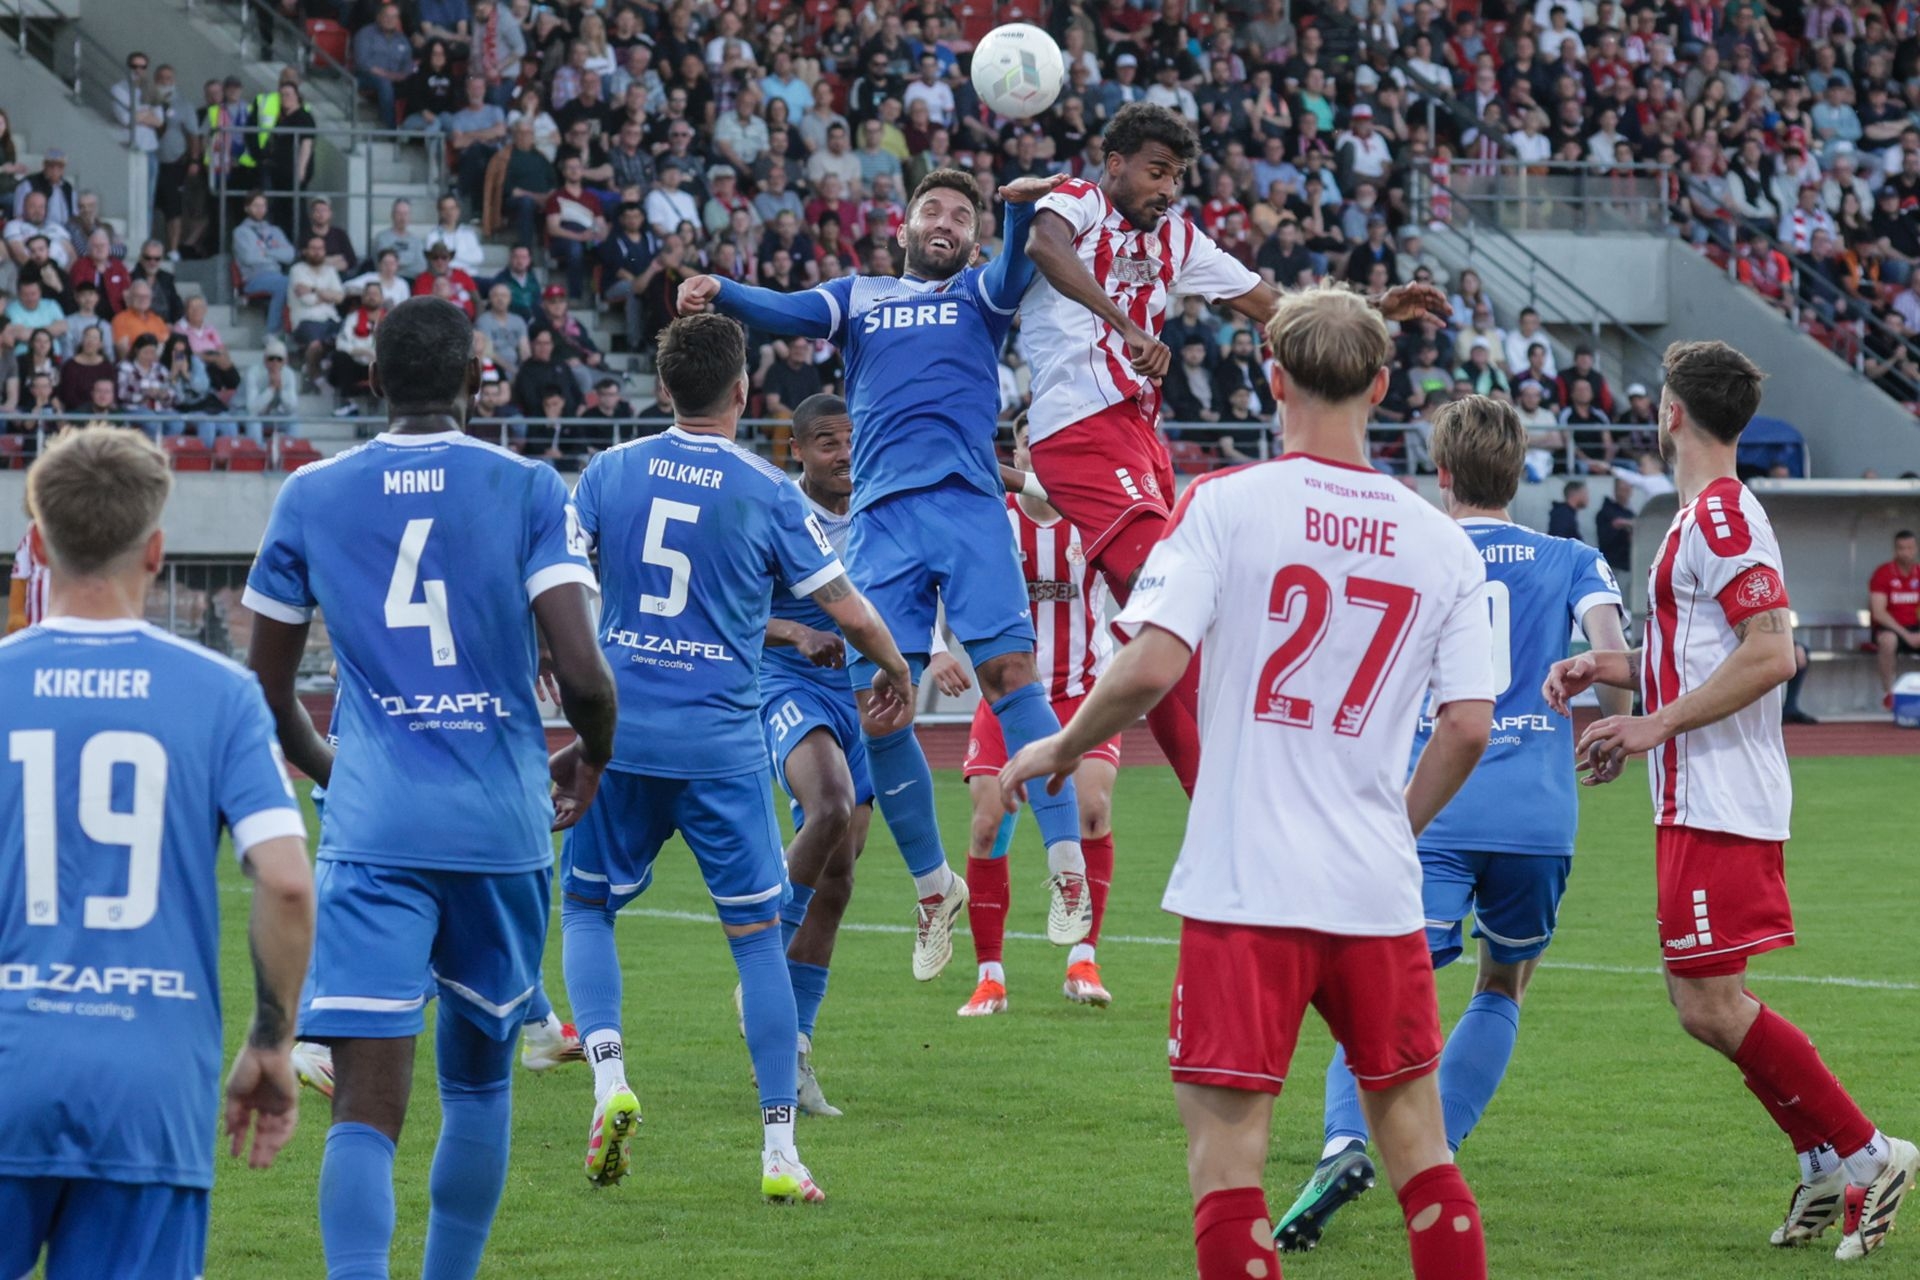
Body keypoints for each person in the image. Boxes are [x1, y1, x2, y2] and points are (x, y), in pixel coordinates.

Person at [1000, 283, 1493, 1280]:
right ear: (1383, 386)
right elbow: (1468, 725)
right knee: (1422, 1153)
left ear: (1273, 378)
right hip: (1374, 886)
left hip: (1245, 884)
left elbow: (1149, 666)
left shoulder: (1224, 503)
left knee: (1229, 1166)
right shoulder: (1441, 539)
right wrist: (1394, 824)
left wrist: (1060, 747)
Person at [242, 296, 618, 1279]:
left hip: (376, 830)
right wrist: (592, 755)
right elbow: (584, 676)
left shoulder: (311, 492)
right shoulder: (528, 485)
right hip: (499, 826)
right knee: (479, 1090)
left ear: (371, 380)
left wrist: (344, 772)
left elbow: (267, 690)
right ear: (476, 380)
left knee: (366, 1109)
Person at [1550, 340, 1919, 1261]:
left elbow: (1771, 651)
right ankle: (1823, 1161)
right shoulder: (1699, 519)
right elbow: (1706, 653)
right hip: (1696, 794)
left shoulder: (1720, 518)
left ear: (1672, 412)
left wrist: (1653, 723)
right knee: (1702, 1000)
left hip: (1721, 796)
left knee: (1710, 1004)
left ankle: (1871, 1153)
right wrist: (1610, 667)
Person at [682, 168, 1097, 979]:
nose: (945, 221)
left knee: (1011, 675)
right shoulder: (858, 297)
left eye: (961, 216)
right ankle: (933, 887)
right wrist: (721, 289)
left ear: (972, 239)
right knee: (882, 706)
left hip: (970, 507)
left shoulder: (982, 292)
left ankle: (1066, 866)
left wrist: (1017, 210)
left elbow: (1019, 263)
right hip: (882, 522)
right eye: (930, 209)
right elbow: (786, 310)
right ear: (902, 228)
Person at [557, 313, 912, 1200]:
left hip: (624, 736)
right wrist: (896, 665)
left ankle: (609, 1080)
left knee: (588, 908)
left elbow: (558, 587)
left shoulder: (607, 472)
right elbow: (848, 607)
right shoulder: (765, 488)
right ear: (744, 390)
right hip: (720, 744)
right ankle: (779, 1153)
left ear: (662, 387)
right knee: (757, 939)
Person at [1274, 394, 1631, 1251]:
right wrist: (1608, 723)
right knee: (1501, 985)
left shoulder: (1408, 548)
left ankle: (1345, 1144)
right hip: (1538, 813)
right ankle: (1434, 1154)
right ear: (1520, 474)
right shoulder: (1574, 556)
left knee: (1367, 982)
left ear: (1441, 473)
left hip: (1429, 804)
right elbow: (1615, 666)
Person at [1018, 103, 1447, 798]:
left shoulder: (1178, 238)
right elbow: (1043, 246)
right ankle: (1249, 780)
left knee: (1160, 627)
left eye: (1176, 176)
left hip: (1139, 435)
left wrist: (1374, 310)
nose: (1167, 189)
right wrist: (1127, 325)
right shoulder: (1077, 201)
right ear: (1115, 164)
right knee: (1171, 597)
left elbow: (1277, 307)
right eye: (1156, 172)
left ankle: (1215, 798)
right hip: (1079, 429)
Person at [0, 427, 314, 1280]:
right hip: (149, 1082)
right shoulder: (221, 694)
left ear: (37, 546)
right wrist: (272, 1042)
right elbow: (288, 883)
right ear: (156, 551)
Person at [960, 415, 1123, 1016]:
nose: (1042, 450)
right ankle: (990, 977)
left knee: (1093, 809)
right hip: (1008, 697)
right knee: (987, 823)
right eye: (1031, 441)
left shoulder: (1094, 515)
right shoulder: (994, 516)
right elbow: (941, 577)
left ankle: (1083, 961)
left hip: (1082, 691)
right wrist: (933, 649)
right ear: (1018, 451)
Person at [1866, 529, 1920, 708]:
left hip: (1915, 628)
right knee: (1888, 640)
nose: (1906, 552)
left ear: (1916, 549)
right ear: (1895, 550)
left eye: (1909, 548)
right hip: (1891, 629)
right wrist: (1907, 635)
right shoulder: (1883, 573)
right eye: (1901, 548)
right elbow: (1878, 612)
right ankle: (1889, 693)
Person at [232, 192, 294, 336]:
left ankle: (292, 332)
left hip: (277, 276)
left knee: (295, 283)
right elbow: (249, 258)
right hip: (253, 279)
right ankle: (272, 332)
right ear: (247, 208)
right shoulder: (241, 232)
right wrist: (276, 254)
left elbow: (290, 255)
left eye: (263, 205)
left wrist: (265, 252)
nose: (260, 209)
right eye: (256, 205)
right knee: (286, 284)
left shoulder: (275, 231)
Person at [289, 235, 346, 388]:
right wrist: (328, 296)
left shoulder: (330, 270)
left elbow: (340, 297)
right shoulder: (297, 270)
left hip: (331, 318)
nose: (317, 252)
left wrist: (313, 290)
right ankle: (316, 378)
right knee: (315, 346)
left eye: (320, 248)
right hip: (306, 319)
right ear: (306, 251)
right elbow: (307, 300)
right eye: (313, 248)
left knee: (347, 341)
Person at [425, 194, 486, 274]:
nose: (449, 213)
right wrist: (465, 258)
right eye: (445, 209)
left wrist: (453, 254)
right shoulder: (433, 235)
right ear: (440, 212)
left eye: (452, 208)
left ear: (458, 211)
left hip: (470, 276)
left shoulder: (468, 233)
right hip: (446, 277)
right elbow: (436, 262)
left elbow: (478, 258)